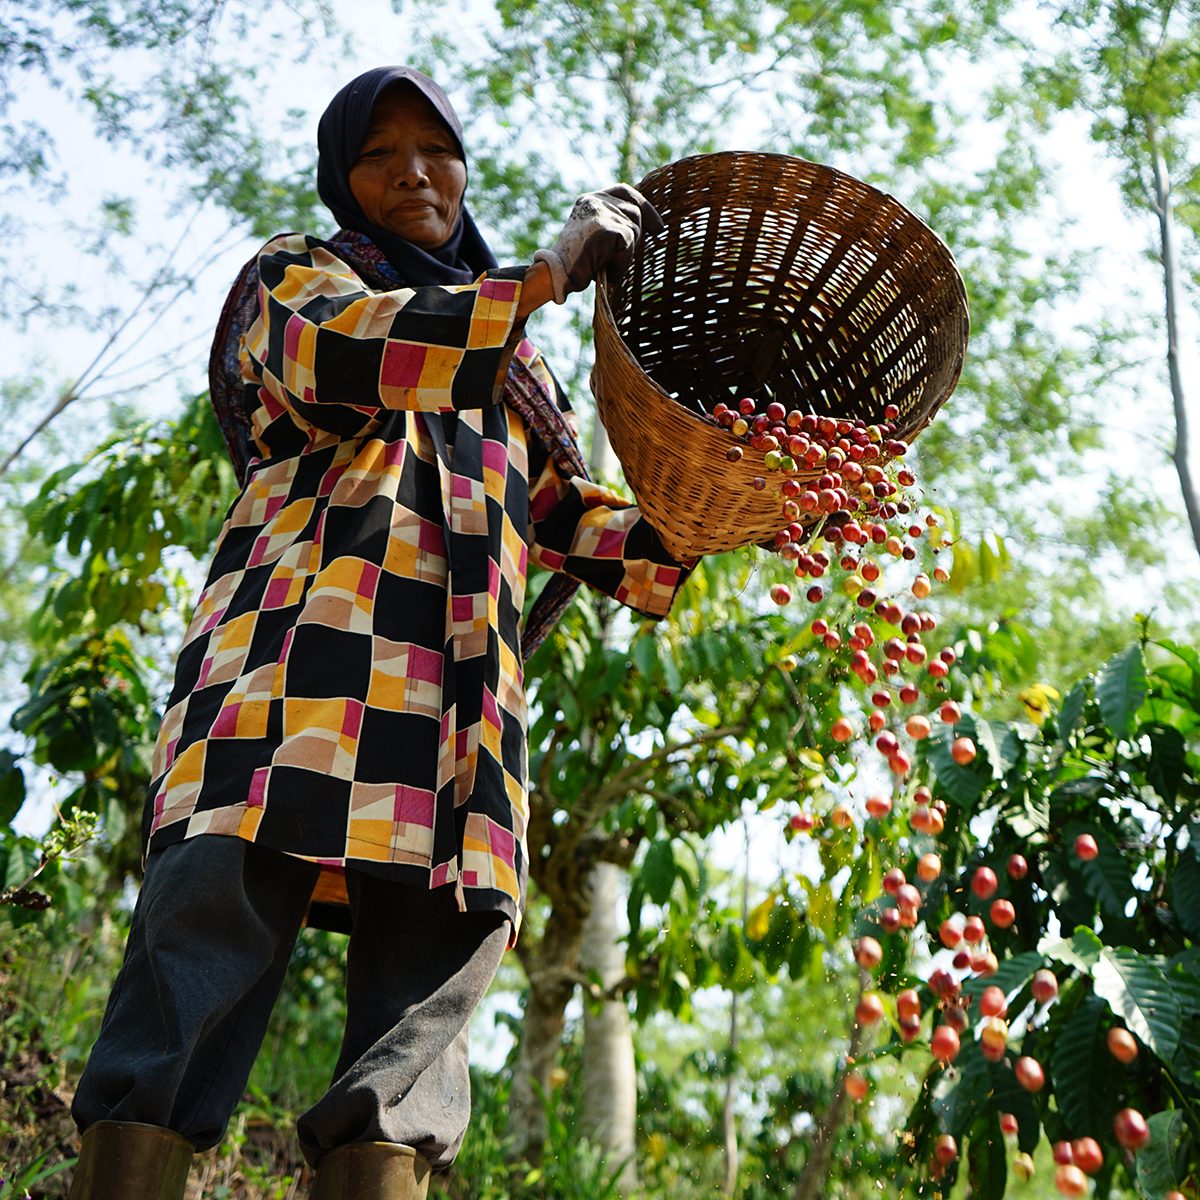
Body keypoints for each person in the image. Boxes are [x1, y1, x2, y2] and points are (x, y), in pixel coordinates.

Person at [66, 65, 692, 1200]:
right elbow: (359, 354)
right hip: (295, 671)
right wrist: (546, 275)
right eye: (380, 154)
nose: (414, 171)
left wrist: (717, 515)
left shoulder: (519, 372)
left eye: (436, 149)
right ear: (341, 179)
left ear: (462, 167)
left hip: (455, 715)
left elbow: (581, 524)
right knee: (201, 942)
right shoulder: (300, 279)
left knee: (416, 1027)